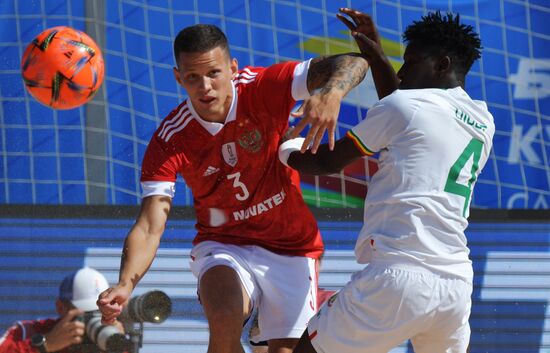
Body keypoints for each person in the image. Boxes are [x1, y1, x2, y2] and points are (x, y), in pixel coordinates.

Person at [97, 23, 369, 353]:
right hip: (225, 243)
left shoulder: (263, 87)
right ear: (178, 78)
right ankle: (248, 315)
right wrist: (126, 283)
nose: (205, 87)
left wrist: (331, 93)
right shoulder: (170, 139)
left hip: (291, 244)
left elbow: (355, 60)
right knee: (224, 317)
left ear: (233, 68)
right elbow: (149, 225)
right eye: (193, 77)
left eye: (214, 73)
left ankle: (263, 325)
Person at [279, 8, 495, 353]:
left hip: (399, 277)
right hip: (455, 286)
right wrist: (376, 54)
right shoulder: (483, 120)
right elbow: (406, 110)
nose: (402, 70)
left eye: (410, 61)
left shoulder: (406, 108)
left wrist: (282, 147)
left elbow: (324, 162)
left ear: (442, 64)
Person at [0, 267, 125, 353]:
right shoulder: (25, 332)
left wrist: (118, 347)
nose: (93, 320)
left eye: (100, 312)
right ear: (61, 307)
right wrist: (45, 345)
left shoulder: (108, 337)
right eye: (86, 313)